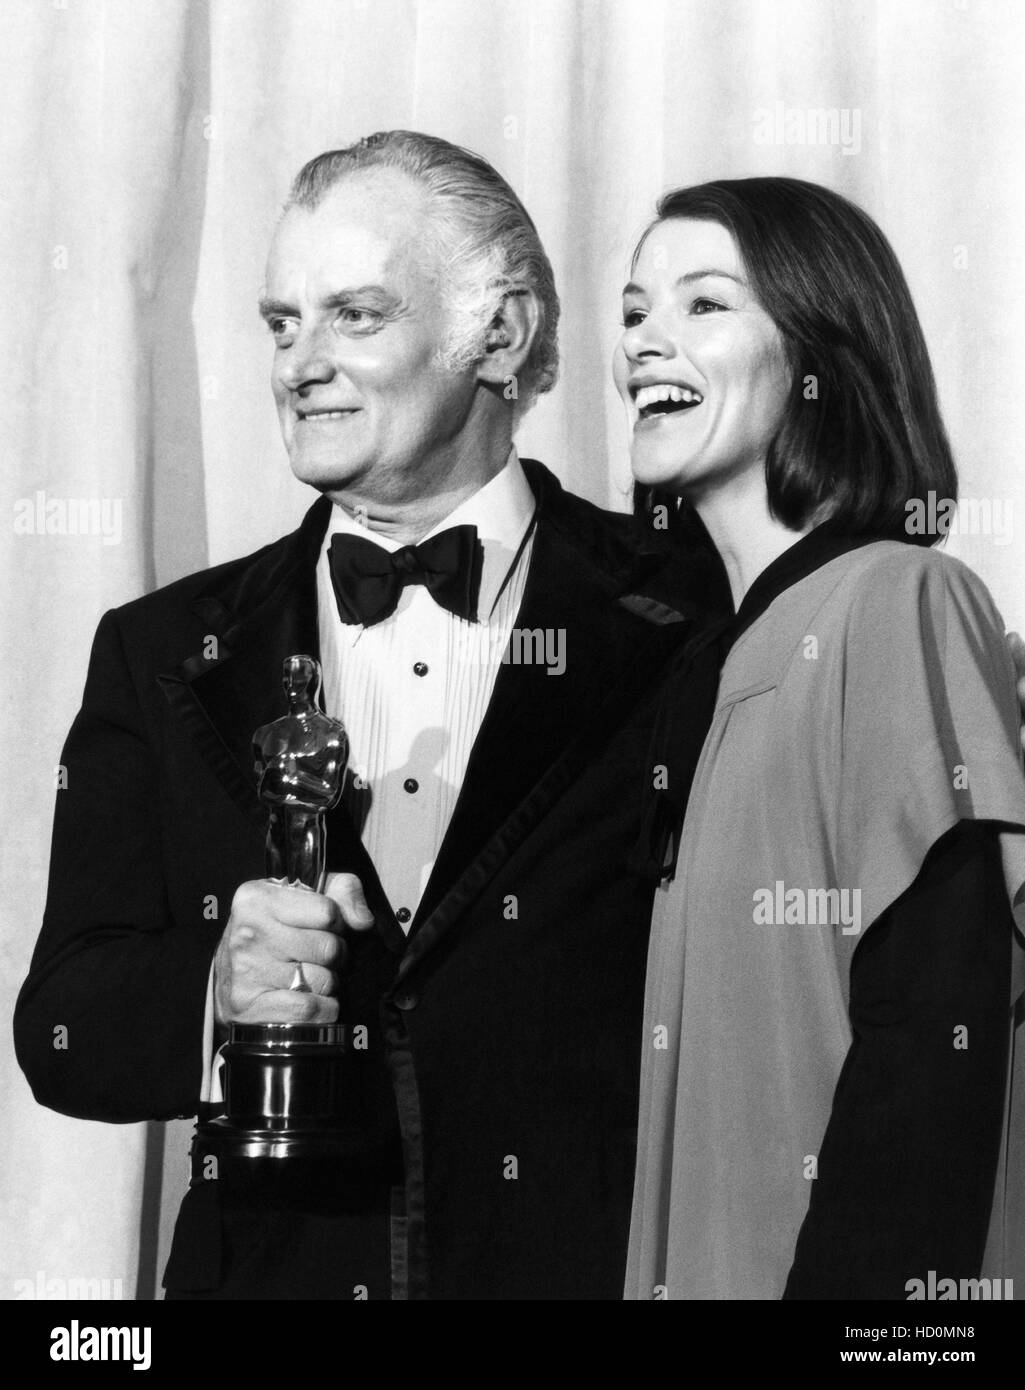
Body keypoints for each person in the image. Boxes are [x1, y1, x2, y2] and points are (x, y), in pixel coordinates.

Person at [13, 131, 724, 1300]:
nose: (298, 364)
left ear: (499, 335)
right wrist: (213, 987)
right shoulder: (159, 649)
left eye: (353, 314)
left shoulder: (685, 618)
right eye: (281, 322)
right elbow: (62, 1028)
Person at [617, 177, 1025, 1300]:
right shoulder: (704, 669)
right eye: (633, 310)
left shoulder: (898, 600)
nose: (645, 341)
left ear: (819, 356)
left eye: (702, 304)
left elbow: (931, 1048)